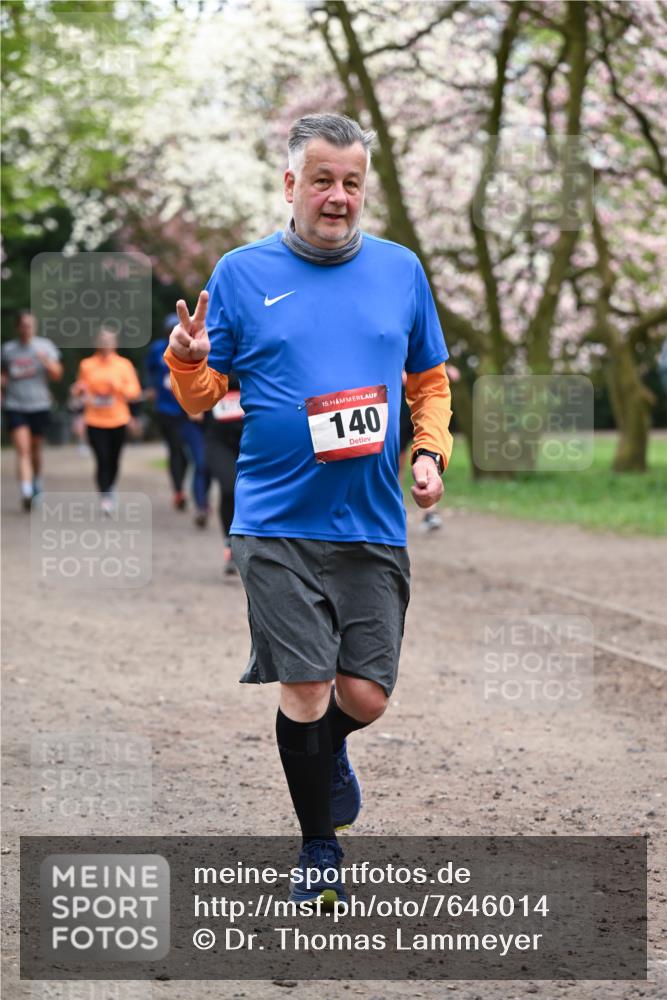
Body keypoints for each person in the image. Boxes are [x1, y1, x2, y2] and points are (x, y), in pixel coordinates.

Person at [164, 114, 453, 905]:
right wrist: (188, 361)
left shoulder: (400, 270)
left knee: (364, 697)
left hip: (369, 519)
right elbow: (200, 397)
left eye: (351, 183)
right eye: (321, 180)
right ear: (290, 184)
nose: (337, 196)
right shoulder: (241, 272)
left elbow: (429, 381)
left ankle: (325, 751)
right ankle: (318, 849)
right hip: (274, 519)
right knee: (305, 684)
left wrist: (428, 454)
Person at [146, 315, 211, 525]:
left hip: (190, 413)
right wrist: (151, 387)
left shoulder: (195, 347)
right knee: (177, 453)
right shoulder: (158, 349)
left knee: (201, 460)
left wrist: (198, 404)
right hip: (168, 411)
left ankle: (201, 504)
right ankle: (179, 491)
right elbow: (149, 370)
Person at [72, 328, 142, 515]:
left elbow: (134, 392)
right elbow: (80, 389)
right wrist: (79, 390)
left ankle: (110, 487)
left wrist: (117, 386)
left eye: (109, 340)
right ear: (96, 343)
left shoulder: (124, 365)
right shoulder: (87, 365)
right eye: (102, 340)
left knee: (114, 459)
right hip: (95, 419)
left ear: (115, 343)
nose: (105, 344)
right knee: (102, 459)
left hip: (118, 419)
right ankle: (105, 495)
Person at [1, 311, 63, 510]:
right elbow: (3, 375)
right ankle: (26, 491)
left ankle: (36, 480)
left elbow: (57, 375)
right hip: (15, 405)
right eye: (24, 325)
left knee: (35, 450)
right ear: (18, 327)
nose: (27, 329)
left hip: (39, 405)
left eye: (30, 325)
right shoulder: (8, 350)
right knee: (23, 450)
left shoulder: (45, 346)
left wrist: (46, 361)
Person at [204, 371, 243, 574]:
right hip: (218, 438)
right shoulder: (213, 356)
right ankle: (230, 543)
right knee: (229, 487)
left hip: (251, 436)